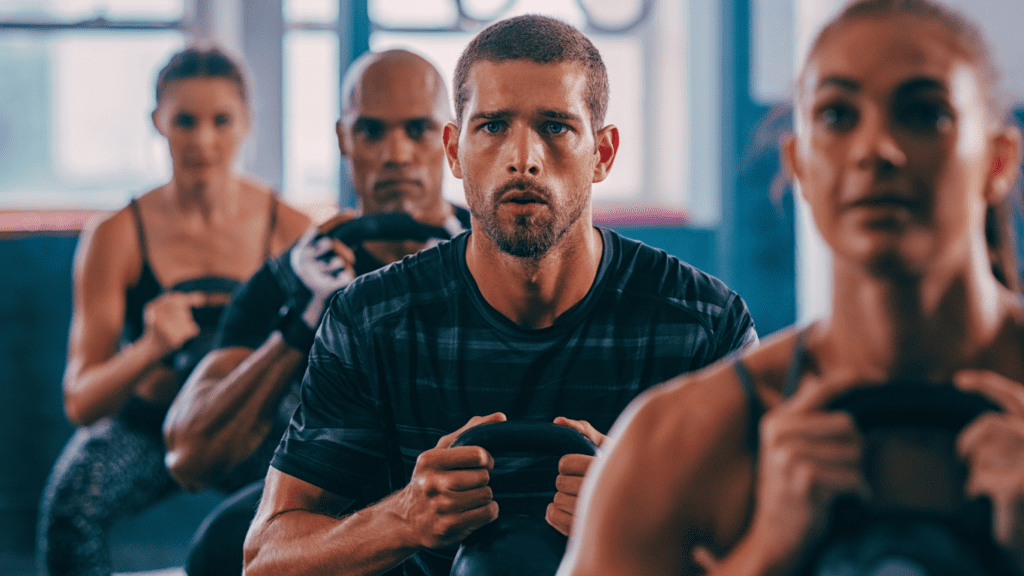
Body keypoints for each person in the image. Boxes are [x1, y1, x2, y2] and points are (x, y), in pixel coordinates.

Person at [242, 14, 759, 576]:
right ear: (455, 151)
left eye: (556, 126)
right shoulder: (370, 320)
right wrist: (405, 519)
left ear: (603, 154)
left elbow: (784, 542)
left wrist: (640, 511)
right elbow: (266, 557)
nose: (523, 158)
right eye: (491, 126)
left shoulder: (703, 323)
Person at [558, 1, 1024, 575]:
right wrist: (760, 557)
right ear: (800, 162)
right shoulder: (676, 442)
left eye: (925, 113)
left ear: (1000, 160)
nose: (875, 149)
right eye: (836, 115)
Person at [160, 48, 471, 576]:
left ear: (450, 138)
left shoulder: (501, 254)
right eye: (372, 131)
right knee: (219, 549)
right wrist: (306, 322)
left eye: (417, 129)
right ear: (344, 139)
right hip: (343, 504)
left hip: (469, 493)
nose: (396, 153)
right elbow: (189, 455)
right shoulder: (291, 279)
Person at [36, 46, 311, 576]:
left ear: (245, 123)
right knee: (70, 513)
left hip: (247, 420)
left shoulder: (289, 230)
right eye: (185, 121)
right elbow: (81, 401)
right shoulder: (115, 236)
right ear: (158, 122)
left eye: (220, 121)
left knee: (327, 497)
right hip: (149, 423)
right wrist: (150, 347)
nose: (203, 141)